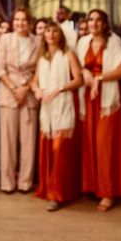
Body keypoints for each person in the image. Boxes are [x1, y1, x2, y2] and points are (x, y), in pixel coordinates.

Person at [76, 9, 121, 211]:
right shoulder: (83, 42)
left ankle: (108, 191)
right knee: (90, 143)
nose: (94, 23)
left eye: (99, 20)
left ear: (105, 23)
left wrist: (99, 78)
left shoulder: (115, 42)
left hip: (107, 99)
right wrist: (85, 73)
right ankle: (92, 186)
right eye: (91, 19)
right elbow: (78, 65)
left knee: (105, 145)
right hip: (88, 98)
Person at [31, 22, 83, 211]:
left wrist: (59, 89)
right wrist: (37, 90)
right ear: (43, 35)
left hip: (64, 104)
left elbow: (79, 79)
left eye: (54, 31)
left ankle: (58, 194)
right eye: (48, 31)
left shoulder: (68, 54)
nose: (51, 34)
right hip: (47, 107)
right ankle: (48, 188)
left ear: (60, 35)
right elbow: (34, 82)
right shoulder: (42, 58)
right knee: (48, 151)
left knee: (59, 150)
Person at [0, 7, 40, 193]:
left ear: (30, 22)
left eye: (24, 20)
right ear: (13, 22)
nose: (20, 23)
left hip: (29, 94)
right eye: (17, 20)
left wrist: (26, 88)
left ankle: (25, 182)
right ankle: (7, 183)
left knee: (28, 142)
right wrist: (14, 88)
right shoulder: (5, 39)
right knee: (8, 141)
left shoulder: (38, 41)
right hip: (8, 93)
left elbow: (39, 68)